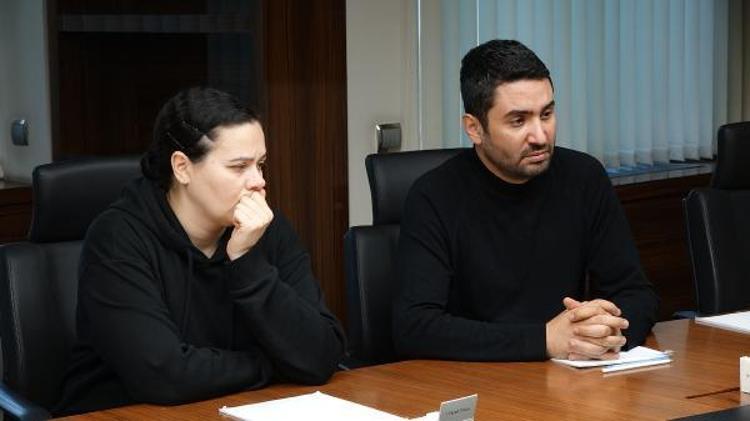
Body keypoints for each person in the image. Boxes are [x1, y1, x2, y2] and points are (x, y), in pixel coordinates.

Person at [55, 87, 345, 415]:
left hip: (232, 408)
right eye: (239, 167)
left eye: (261, 165)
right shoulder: (118, 237)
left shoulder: (266, 229)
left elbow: (321, 356)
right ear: (182, 167)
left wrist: (246, 261)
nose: (258, 182)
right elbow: (164, 375)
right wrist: (274, 364)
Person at [392, 40, 658, 362]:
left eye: (546, 114)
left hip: (570, 375)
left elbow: (636, 293)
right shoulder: (434, 196)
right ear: (474, 128)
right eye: (518, 121)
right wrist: (544, 339)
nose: (540, 136)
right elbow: (415, 327)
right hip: (476, 378)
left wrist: (605, 330)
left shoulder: (584, 178)